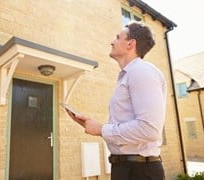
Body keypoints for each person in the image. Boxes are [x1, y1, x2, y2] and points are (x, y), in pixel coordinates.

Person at [66, 22, 167, 180]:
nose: (112, 42)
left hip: (139, 172)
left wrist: (101, 129)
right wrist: (93, 126)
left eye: (117, 37)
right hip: (124, 168)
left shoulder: (142, 72)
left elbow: (150, 129)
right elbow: (128, 131)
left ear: (130, 43)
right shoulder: (128, 75)